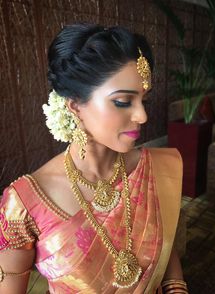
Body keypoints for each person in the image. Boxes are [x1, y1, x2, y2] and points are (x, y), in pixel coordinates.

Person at [0, 23, 188, 293]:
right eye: (123, 101)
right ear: (75, 105)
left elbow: (165, 251)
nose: (142, 116)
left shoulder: (154, 170)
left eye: (143, 101)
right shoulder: (24, 204)